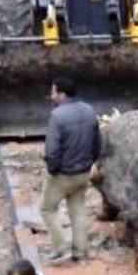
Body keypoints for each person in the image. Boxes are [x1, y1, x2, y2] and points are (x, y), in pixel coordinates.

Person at [40, 76, 101, 263]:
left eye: (53, 92)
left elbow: (52, 149)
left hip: (62, 174)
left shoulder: (57, 116)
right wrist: (91, 163)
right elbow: (97, 142)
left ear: (61, 94)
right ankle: (80, 252)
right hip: (83, 173)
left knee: (47, 209)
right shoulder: (90, 111)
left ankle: (60, 248)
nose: (51, 96)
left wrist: (52, 169)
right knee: (78, 211)